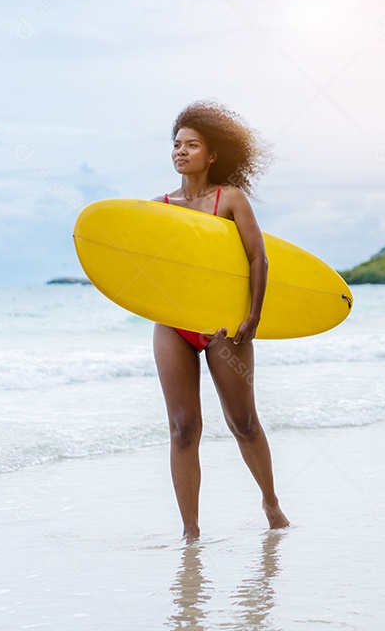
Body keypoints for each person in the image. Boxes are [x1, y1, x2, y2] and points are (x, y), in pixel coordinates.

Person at [152, 100, 289, 542]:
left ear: (211, 154)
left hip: (225, 327)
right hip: (173, 324)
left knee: (243, 422)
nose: (181, 151)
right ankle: (190, 532)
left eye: (192, 145)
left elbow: (257, 257)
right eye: (176, 144)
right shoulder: (158, 207)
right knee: (183, 427)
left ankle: (271, 502)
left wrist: (253, 316)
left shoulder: (228, 198)